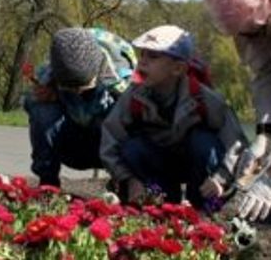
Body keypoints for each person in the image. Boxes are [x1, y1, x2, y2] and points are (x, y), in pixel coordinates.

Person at [100, 25, 247, 209]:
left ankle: (202, 208)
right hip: (157, 164)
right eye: (142, 54)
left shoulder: (203, 98)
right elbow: (109, 140)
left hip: (195, 167)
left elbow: (236, 143)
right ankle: (159, 205)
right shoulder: (133, 96)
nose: (142, 62)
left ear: (177, 68)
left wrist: (221, 177)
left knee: (204, 144)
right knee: (132, 148)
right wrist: (127, 179)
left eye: (153, 56)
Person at [204, 0, 271, 221]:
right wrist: (263, 138)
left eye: (254, 33)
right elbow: (266, 80)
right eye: (241, 35)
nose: (248, 43)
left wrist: (267, 181)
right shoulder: (252, 33)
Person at [24, 27, 135, 187]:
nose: (77, 92)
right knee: (42, 110)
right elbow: (31, 106)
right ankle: (48, 185)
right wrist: (47, 97)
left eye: (83, 88)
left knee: (129, 113)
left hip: (110, 143)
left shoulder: (121, 72)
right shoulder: (57, 62)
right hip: (73, 144)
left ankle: (125, 183)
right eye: (70, 89)